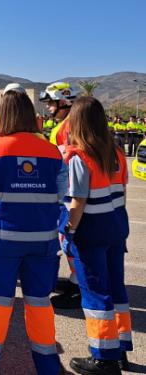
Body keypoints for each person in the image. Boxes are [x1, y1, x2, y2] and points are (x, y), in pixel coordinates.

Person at [0, 90, 67, 375]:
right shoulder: (51, 149)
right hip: (42, 239)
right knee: (39, 304)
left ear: (3, 116)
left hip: (1, 239)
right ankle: (48, 367)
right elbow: (61, 192)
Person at [62, 97, 132, 375]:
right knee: (117, 288)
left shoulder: (80, 158)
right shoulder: (115, 153)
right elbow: (122, 193)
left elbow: (78, 203)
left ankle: (104, 357)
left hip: (91, 230)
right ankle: (121, 348)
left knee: (94, 293)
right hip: (116, 225)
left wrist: (69, 231)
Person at [39, 82, 82, 309]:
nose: (48, 108)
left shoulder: (66, 128)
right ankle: (76, 282)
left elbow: (62, 166)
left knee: (70, 241)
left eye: (51, 103)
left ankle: (80, 288)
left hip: (71, 195)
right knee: (70, 242)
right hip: (76, 193)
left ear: (64, 102)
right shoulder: (76, 124)